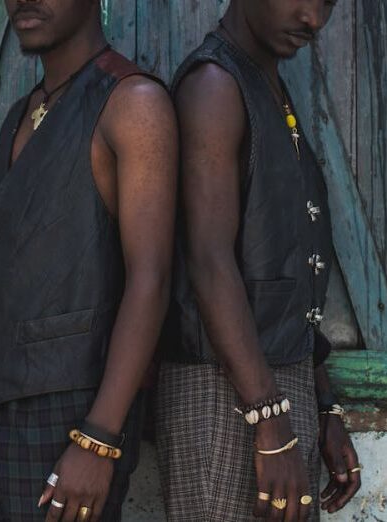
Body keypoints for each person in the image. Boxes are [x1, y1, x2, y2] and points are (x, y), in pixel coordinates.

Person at [0, 0, 177, 520]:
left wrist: (99, 440)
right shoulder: (24, 111)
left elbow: (151, 280)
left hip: (68, 421)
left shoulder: (133, 103)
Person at [156, 1, 361, 520]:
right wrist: (270, 423)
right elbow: (208, 260)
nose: (314, 19)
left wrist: (323, 405)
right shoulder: (214, 87)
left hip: (270, 390)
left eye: (327, 4)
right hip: (220, 395)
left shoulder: (264, 85)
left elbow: (282, 286)